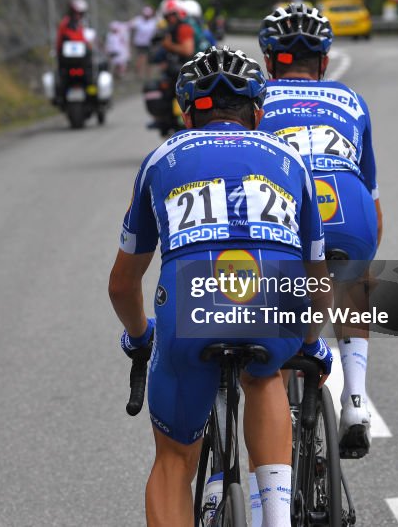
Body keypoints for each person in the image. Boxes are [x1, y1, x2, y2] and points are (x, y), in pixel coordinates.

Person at [109, 46, 334, 527]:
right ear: (257, 111)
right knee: (266, 372)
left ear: (188, 113)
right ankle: (276, 517)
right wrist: (312, 346)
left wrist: (140, 336)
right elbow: (318, 280)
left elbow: (122, 284)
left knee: (173, 462)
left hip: (189, 304)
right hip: (273, 295)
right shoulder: (289, 158)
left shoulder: (161, 157)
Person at [256, 4, 382, 458]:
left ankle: (280, 429)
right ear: (324, 62)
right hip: (351, 211)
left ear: (269, 60)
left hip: (288, 213)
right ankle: (355, 401)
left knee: (279, 309)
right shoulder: (350, 100)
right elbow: (373, 199)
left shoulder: (255, 102)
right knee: (356, 278)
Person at [55, 0, 92, 104]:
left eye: (80, 13)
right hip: (68, 59)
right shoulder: (65, 23)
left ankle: (91, 93)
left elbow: (86, 38)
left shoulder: (82, 24)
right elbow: (59, 40)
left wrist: (89, 46)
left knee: (90, 74)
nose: (78, 15)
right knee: (62, 75)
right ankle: (61, 96)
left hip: (82, 59)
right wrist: (59, 52)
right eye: (76, 13)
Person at [131, 6, 158, 78]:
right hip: (140, 43)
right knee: (141, 58)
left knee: (149, 59)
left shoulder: (153, 22)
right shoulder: (138, 20)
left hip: (149, 43)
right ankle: (139, 73)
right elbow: (130, 26)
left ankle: (147, 74)